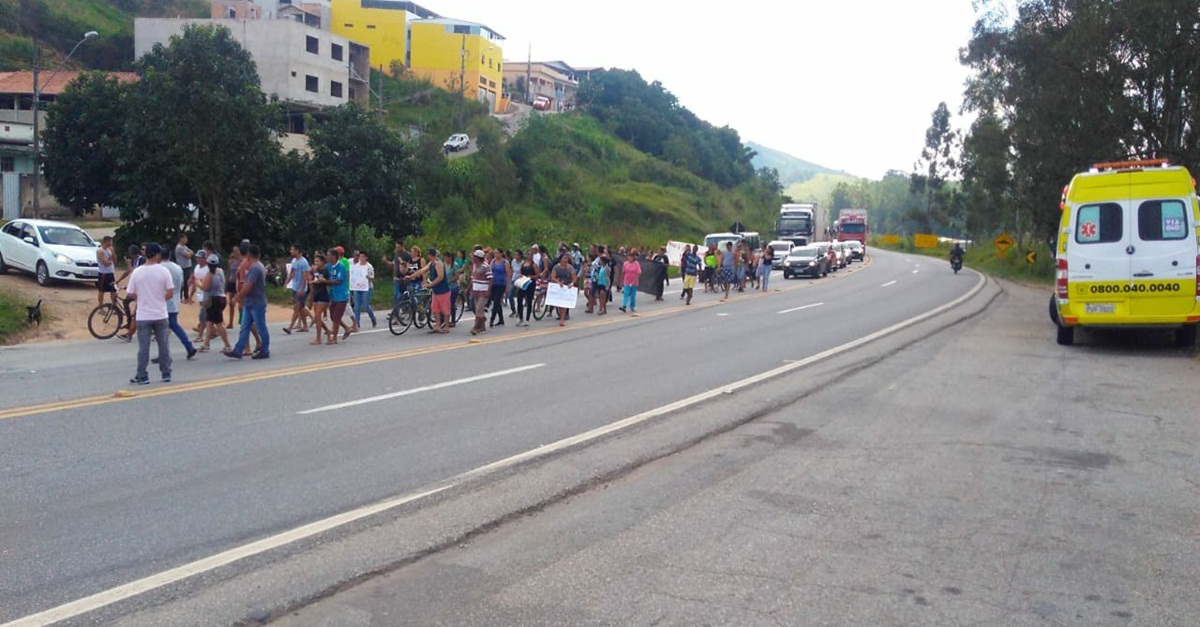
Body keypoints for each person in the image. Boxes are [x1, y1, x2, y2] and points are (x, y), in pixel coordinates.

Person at [125, 243, 174, 384]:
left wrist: (142, 297)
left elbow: (130, 293)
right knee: (163, 344)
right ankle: (166, 373)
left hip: (143, 314)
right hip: (160, 313)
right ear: (157, 255)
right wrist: (159, 298)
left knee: (143, 347)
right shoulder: (163, 271)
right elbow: (170, 292)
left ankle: (142, 375)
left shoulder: (138, 272)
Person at [224, 244, 271, 360]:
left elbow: (248, 285)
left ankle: (265, 350)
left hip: (256, 302)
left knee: (260, 327)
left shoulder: (255, 268)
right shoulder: (257, 266)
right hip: (250, 302)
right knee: (245, 326)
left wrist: (237, 297)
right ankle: (238, 349)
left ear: (249, 254)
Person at [158, 247, 198, 361]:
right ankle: (185, 347)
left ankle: (187, 347)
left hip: (164, 300)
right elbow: (181, 283)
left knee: (167, 326)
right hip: (175, 299)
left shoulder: (160, 268)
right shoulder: (177, 267)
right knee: (170, 325)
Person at [197, 254, 231, 353]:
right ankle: (206, 343)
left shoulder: (209, 274)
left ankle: (227, 345)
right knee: (209, 321)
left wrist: (198, 283)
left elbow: (205, 287)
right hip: (221, 297)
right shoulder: (220, 272)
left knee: (219, 322)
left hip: (213, 300)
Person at [325, 247, 352, 343]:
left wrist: (326, 281)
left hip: (341, 295)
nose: (327, 257)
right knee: (333, 316)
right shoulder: (328, 266)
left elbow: (338, 281)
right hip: (333, 295)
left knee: (336, 317)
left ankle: (335, 337)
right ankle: (347, 328)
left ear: (334, 256)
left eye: (329, 255)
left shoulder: (340, 266)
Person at [283, 245, 311, 334]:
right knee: (300, 308)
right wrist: (286, 283)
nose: (291, 251)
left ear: (297, 251)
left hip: (301, 288)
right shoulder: (294, 261)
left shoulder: (303, 262)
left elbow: (305, 277)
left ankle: (290, 327)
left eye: (292, 250)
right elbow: (291, 273)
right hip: (295, 287)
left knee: (297, 307)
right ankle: (305, 326)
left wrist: (302, 289)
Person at [308, 254, 332, 345]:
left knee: (318, 316)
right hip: (316, 294)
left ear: (322, 262)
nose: (316, 263)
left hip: (323, 294)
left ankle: (318, 338)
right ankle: (328, 331)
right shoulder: (314, 270)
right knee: (317, 317)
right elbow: (310, 280)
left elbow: (326, 280)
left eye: (318, 261)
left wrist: (322, 280)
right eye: (315, 261)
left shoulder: (325, 270)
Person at [350, 251, 377, 329]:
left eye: (363, 257)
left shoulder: (369, 266)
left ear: (366, 257)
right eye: (360, 257)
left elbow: (372, 277)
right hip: (358, 287)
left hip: (367, 288)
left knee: (365, 305)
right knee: (357, 306)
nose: (361, 258)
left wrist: (368, 277)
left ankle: (372, 317)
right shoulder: (356, 266)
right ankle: (357, 323)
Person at [551, 252, 577, 326]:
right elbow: (553, 276)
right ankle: (561, 315)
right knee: (559, 304)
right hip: (559, 287)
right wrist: (558, 282)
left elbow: (574, 278)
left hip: (567, 287)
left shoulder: (570, 268)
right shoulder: (556, 267)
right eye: (564, 258)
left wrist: (572, 284)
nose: (566, 260)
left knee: (564, 304)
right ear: (560, 260)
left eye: (567, 259)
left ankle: (562, 319)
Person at [469, 249, 491, 335]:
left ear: (479, 258)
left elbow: (490, 279)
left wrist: (488, 290)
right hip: (475, 290)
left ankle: (476, 327)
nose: (474, 258)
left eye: (475, 257)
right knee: (477, 309)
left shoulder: (486, 266)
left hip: (483, 290)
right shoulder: (475, 266)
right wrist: (468, 288)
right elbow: (472, 277)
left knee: (479, 308)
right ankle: (482, 324)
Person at [95, 235, 117, 307]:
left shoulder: (109, 250)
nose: (111, 243)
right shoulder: (100, 251)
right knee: (102, 291)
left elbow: (115, 260)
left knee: (113, 290)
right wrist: (110, 261)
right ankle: (100, 306)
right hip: (103, 273)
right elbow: (105, 263)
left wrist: (113, 252)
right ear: (107, 241)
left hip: (110, 273)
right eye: (110, 241)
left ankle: (114, 306)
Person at [224, 244, 242, 330]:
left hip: (238, 282)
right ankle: (230, 322)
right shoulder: (230, 261)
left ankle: (242, 320)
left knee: (240, 302)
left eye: (237, 251)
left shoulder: (242, 261)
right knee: (231, 303)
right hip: (231, 282)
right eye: (234, 251)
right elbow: (228, 272)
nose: (235, 253)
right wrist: (226, 284)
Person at [489, 249, 508, 328]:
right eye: (495, 253)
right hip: (493, 283)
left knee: (496, 301)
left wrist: (507, 286)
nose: (496, 255)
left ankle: (492, 319)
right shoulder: (493, 262)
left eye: (497, 253)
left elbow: (508, 274)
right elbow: (489, 271)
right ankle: (501, 319)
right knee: (495, 301)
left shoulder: (505, 263)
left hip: (501, 284)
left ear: (501, 254)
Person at [620, 250, 642, 314]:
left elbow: (638, 273)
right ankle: (624, 306)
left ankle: (632, 306)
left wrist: (634, 281)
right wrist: (621, 281)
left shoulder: (636, 264)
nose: (630, 258)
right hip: (626, 281)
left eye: (631, 257)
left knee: (632, 295)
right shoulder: (625, 263)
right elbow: (623, 272)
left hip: (634, 282)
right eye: (629, 257)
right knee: (626, 293)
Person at [175, 234, 194, 304]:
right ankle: (180, 298)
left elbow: (192, 251)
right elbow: (188, 255)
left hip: (187, 266)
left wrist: (189, 253)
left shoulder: (184, 247)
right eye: (185, 238)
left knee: (187, 283)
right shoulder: (179, 247)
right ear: (181, 239)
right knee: (183, 283)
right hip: (183, 267)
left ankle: (186, 297)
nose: (186, 240)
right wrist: (189, 253)